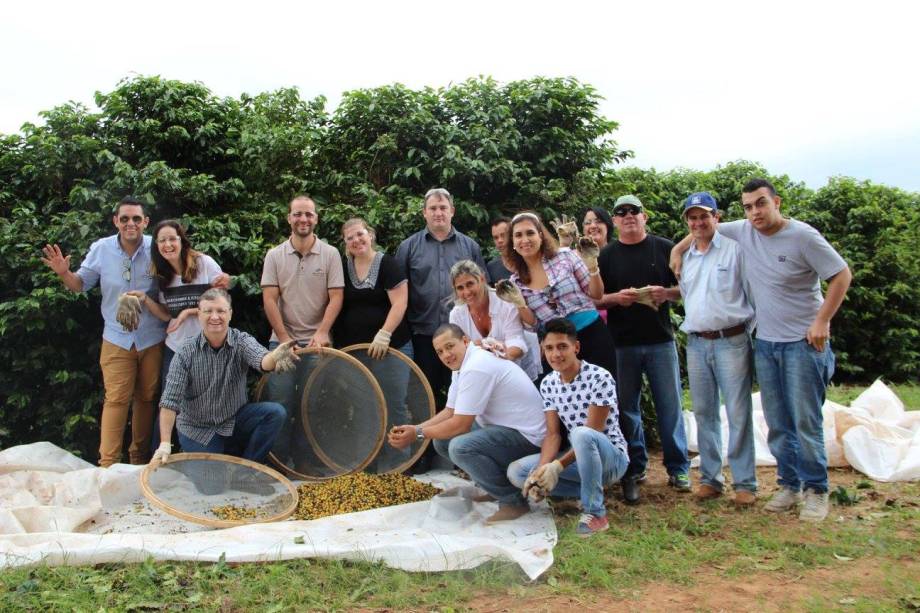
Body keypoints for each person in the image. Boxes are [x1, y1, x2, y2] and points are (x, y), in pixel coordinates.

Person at [671, 178, 851, 521]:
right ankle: (789, 485)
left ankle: (816, 490)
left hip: (803, 343)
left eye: (761, 204)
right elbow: (703, 228)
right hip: (766, 343)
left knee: (805, 421)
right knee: (778, 422)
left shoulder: (803, 236)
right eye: (749, 206)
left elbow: (842, 275)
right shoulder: (745, 230)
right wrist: (677, 249)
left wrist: (822, 321)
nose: (755, 211)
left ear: (776, 202)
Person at [41, 196, 165, 467]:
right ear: (115, 222)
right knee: (116, 400)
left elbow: (184, 268)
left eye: (136, 219)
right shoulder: (101, 248)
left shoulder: (157, 247)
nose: (130, 224)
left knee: (146, 398)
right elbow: (80, 285)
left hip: (152, 337)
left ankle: (139, 462)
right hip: (117, 339)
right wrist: (64, 273)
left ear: (145, 222)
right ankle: (107, 466)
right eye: (124, 219)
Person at [388, 324, 546, 524]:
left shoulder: (476, 366)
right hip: (506, 429)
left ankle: (513, 502)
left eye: (450, 346)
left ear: (465, 341)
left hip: (529, 438)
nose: (446, 355)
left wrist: (418, 435)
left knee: (459, 447)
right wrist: (417, 428)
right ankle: (495, 488)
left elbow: (460, 425)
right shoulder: (463, 364)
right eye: (440, 352)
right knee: (442, 442)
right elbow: (450, 411)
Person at [596, 195, 690, 505]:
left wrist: (667, 293)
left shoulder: (664, 248)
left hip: (660, 340)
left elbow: (688, 289)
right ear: (615, 221)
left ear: (644, 216)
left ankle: (678, 468)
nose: (628, 217)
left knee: (670, 407)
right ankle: (635, 469)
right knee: (627, 410)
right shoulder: (606, 256)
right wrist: (615, 299)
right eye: (621, 213)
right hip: (622, 343)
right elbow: (595, 299)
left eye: (633, 211)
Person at [507, 318, 629, 536]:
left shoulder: (599, 377)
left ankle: (596, 513)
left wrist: (558, 467)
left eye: (562, 346)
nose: (556, 354)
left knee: (581, 433)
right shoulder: (549, 383)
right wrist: (542, 472)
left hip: (611, 460)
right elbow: (553, 435)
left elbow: (594, 431)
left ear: (576, 347)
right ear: (542, 351)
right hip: (580, 459)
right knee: (518, 472)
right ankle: (589, 492)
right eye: (549, 348)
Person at [150, 289, 296, 465]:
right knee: (213, 489)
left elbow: (262, 361)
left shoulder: (241, 341)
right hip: (198, 430)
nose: (215, 317)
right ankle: (216, 465)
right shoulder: (185, 352)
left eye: (221, 311)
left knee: (275, 413)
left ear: (230, 314)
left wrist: (274, 356)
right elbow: (169, 401)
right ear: (199, 315)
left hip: (233, 421)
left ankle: (248, 469)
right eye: (208, 311)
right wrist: (165, 443)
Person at [676, 193, 757, 506]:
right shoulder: (686, 257)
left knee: (738, 412)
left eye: (704, 216)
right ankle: (711, 479)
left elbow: (753, 296)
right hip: (697, 343)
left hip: (732, 340)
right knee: (705, 412)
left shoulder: (735, 250)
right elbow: (689, 297)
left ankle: (745, 483)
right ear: (687, 222)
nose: (698, 222)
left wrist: (744, 334)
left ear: (717, 217)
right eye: (692, 218)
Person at [260, 195, 345, 468]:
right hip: (281, 344)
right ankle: (279, 464)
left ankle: (306, 463)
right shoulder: (274, 255)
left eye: (308, 214)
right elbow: (270, 299)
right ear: (289, 218)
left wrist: (322, 332)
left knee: (312, 405)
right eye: (298, 214)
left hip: (318, 344)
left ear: (316, 218)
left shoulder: (331, 254)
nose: (303, 219)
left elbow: (336, 297)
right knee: (280, 403)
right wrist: (284, 339)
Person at [141, 219, 231, 450]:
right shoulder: (161, 275)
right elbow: (164, 315)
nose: (168, 244)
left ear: (181, 240)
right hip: (175, 349)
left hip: (206, 347)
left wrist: (188, 313)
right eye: (162, 240)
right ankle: (158, 460)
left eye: (172, 238)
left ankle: (199, 458)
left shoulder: (204, 263)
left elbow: (219, 304)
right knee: (168, 404)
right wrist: (144, 300)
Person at [495, 212, 617, 380]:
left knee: (603, 399)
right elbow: (534, 325)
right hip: (556, 348)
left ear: (540, 235)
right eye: (518, 235)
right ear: (513, 243)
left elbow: (596, 294)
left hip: (593, 336)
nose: (525, 239)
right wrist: (519, 304)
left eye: (530, 233)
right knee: (568, 402)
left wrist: (592, 267)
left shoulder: (565, 256)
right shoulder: (515, 282)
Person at [333, 217, 413, 469]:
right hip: (356, 353)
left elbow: (400, 303)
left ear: (370, 234)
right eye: (350, 238)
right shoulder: (343, 268)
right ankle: (368, 463)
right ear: (345, 244)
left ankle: (398, 465)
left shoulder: (389, 264)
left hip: (391, 349)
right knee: (364, 407)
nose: (356, 241)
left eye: (360, 234)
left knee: (394, 405)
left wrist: (384, 333)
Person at [395, 188, 488, 400]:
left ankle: (460, 434)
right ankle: (430, 434)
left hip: (463, 336)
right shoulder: (407, 248)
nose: (438, 213)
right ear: (424, 213)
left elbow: (483, 291)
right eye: (433, 208)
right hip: (423, 336)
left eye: (443, 208)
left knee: (466, 394)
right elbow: (398, 294)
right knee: (425, 396)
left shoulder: (470, 246)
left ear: (452, 211)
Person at [448, 259, 540, 380]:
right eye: (460, 288)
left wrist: (503, 354)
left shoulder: (505, 303)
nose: (466, 292)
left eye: (470, 284)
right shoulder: (456, 315)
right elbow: (460, 352)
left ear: (482, 279)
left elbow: (517, 342)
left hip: (514, 372)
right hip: (482, 376)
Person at [485, 217, 513, 283]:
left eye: (503, 235)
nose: (499, 240)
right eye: (496, 237)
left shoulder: (528, 261)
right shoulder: (491, 267)